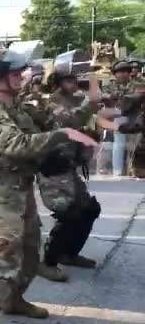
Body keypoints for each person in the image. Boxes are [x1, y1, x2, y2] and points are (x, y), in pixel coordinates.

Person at [0, 48, 97, 324]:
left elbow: (62, 121)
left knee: (30, 253)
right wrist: (59, 136)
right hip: (6, 192)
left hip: (24, 189)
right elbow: (15, 145)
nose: (21, 76)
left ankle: (14, 300)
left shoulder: (20, 106)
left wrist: (90, 106)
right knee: (5, 254)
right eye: (14, 72)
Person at [35, 54, 102, 282]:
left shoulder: (75, 99)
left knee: (89, 209)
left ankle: (69, 253)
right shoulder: (49, 101)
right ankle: (49, 261)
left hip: (70, 166)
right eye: (70, 79)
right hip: (54, 167)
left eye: (77, 79)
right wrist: (91, 105)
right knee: (67, 214)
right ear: (58, 80)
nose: (75, 83)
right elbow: (70, 120)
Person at [106, 61, 136, 176]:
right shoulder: (110, 86)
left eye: (126, 71)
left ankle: (133, 169)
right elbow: (104, 98)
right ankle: (117, 170)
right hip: (119, 116)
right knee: (119, 143)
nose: (123, 74)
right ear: (115, 74)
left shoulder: (136, 85)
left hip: (135, 116)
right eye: (120, 72)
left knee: (135, 144)